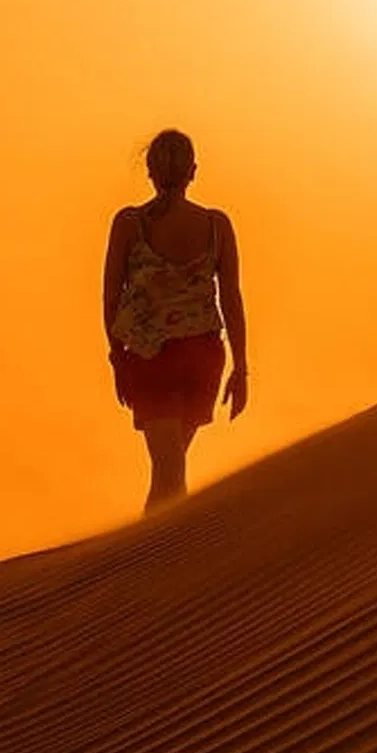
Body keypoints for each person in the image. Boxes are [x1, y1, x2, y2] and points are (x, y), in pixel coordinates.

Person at [103, 128, 248, 513]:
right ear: (193, 172)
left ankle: (153, 558)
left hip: (152, 360)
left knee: (167, 471)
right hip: (202, 356)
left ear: (149, 171)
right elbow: (231, 299)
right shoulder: (217, 225)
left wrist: (117, 357)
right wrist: (241, 367)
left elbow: (110, 297)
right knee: (172, 466)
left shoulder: (129, 224)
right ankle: (162, 557)